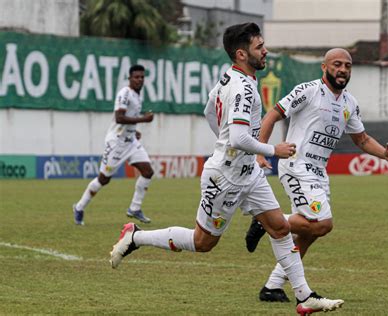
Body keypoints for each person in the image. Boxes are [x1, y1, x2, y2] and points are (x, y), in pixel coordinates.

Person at [109, 23, 344, 314]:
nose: (265, 50)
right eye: (260, 47)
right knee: (203, 242)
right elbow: (238, 137)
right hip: (226, 177)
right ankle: (135, 237)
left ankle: (303, 296)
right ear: (242, 53)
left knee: (280, 227)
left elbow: (210, 111)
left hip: (248, 173)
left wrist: (227, 142)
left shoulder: (229, 78)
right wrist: (273, 150)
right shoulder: (244, 88)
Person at [245, 48, 388, 302]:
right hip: (296, 165)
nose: (343, 69)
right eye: (337, 64)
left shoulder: (349, 103)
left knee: (310, 232)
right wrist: (261, 150)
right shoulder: (307, 91)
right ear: (324, 67)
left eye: (348, 66)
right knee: (323, 223)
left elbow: (362, 139)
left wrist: (384, 155)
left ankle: (273, 286)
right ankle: (266, 220)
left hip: (318, 172)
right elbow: (273, 114)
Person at [72, 65, 155, 225]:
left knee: (147, 171)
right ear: (130, 78)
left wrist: (134, 130)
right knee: (103, 179)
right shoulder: (124, 93)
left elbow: (129, 119)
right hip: (116, 142)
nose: (140, 80)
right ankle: (79, 207)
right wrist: (143, 120)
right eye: (136, 77)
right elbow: (119, 118)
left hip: (130, 142)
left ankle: (135, 208)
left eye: (142, 77)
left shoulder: (137, 96)